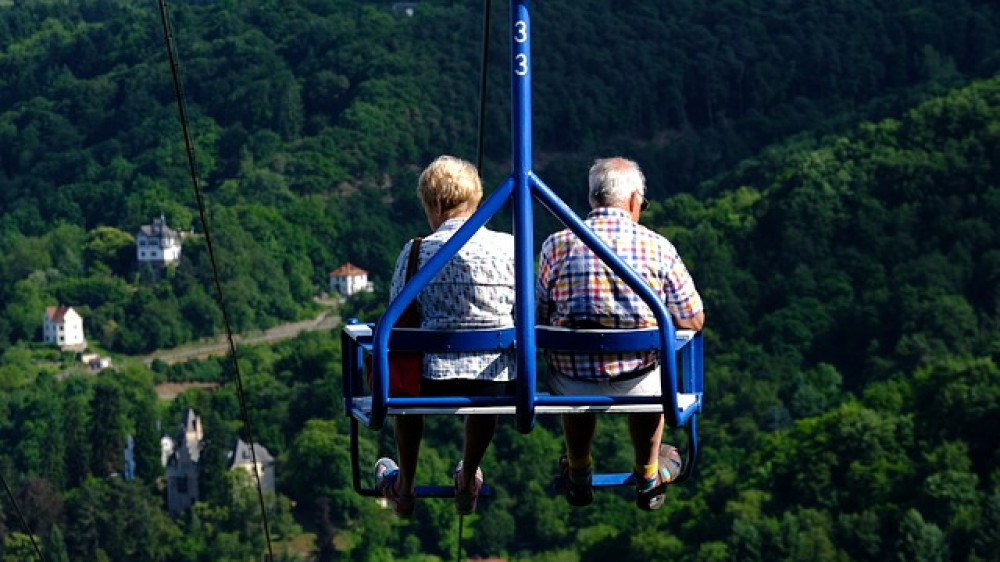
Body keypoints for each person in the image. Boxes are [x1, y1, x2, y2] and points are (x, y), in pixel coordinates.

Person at [536, 157, 705, 511]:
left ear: (593, 200)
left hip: (570, 380)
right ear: (632, 201)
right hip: (638, 380)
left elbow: (539, 315)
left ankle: (578, 468)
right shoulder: (658, 247)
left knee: (574, 369)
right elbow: (693, 319)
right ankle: (647, 472)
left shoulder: (556, 245)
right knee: (654, 374)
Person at [374, 155, 516, 518]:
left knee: (400, 362)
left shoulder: (417, 251)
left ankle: (404, 483)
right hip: (497, 380)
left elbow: (396, 313)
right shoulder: (508, 247)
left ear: (435, 205)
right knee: (488, 376)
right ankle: (468, 475)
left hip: (430, 382)